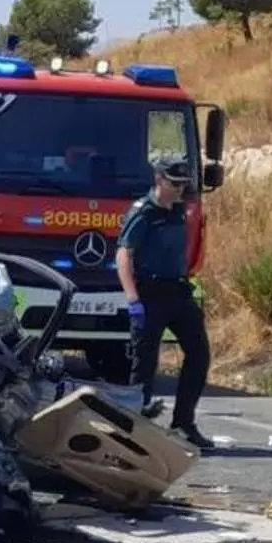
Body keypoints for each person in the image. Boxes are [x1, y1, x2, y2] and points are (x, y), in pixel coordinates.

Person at [116, 156, 213, 450]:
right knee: (144, 365)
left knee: (199, 353)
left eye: (184, 183)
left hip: (178, 292)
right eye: (175, 183)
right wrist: (133, 300)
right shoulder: (143, 213)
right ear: (159, 180)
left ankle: (183, 422)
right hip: (150, 294)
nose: (181, 189)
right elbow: (124, 256)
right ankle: (133, 428)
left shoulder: (180, 209)